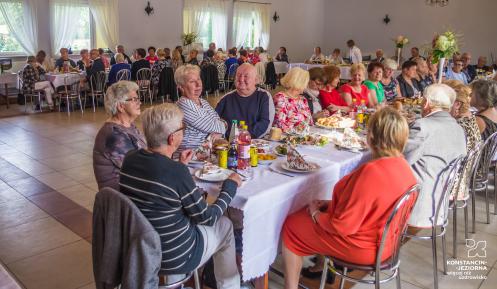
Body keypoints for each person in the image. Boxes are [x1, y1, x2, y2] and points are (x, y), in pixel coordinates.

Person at [281, 107, 417, 289]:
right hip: (388, 243)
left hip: (364, 248)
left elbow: (343, 226)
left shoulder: (372, 172)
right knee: (307, 215)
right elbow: (373, 205)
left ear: (372, 137)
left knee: (292, 225)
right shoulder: (404, 165)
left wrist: (316, 215)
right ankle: (321, 265)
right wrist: (330, 204)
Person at [119, 103, 242, 289]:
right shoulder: (175, 172)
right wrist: (230, 188)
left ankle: (174, 283)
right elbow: (207, 218)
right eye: (182, 128)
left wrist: (180, 165)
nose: (184, 131)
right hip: (174, 254)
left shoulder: (130, 159)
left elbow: (158, 187)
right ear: (172, 138)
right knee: (224, 225)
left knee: (174, 221)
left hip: (140, 247)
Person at [404, 84, 466, 227]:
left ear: (426, 103)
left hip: (417, 205)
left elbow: (399, 161)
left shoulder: (423, 126)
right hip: (440, 204)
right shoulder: (457, 127)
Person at [93, 81, 146, 190]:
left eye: (138, 98)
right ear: (121, 107)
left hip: (135, 189)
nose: (139, 103)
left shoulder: (128, 126)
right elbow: (140, 169)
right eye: (134, 99)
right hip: (123, 198)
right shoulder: (114, 135)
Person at [175, 65, 226, 152]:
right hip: (190, 158)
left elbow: (218, 122)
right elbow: (212, 126)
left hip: (207, 154)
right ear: (181, 87)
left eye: (198, 79)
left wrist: (221, 126)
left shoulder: (203, 102)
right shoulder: (183, 105)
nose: (198, 85)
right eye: (192, 81)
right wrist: (223, 127)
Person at [216, 63, 275, 138]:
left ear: (256, 80)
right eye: (238, 75)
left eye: (246, 76)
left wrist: (243, 137)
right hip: (229, 143)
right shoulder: (225, 99)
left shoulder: (264, 96)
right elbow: (215, 122)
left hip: (255, 143)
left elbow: (265, 123)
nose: (241, 79)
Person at [445, 80, 481, 200]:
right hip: (463, 181)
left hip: (452, 185)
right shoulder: (470, 118)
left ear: (457, 104)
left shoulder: (458, 127)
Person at [272, 68, 314, 133]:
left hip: (303, 136)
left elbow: (310, 122)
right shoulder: (281, 98)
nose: (306, 86)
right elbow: (279, 125)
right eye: (305, 83)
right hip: (285, 137)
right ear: (298, 82)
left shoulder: (303, 99)